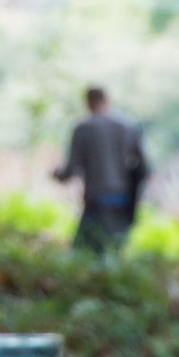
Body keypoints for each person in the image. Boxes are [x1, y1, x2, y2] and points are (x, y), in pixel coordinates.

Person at [53, 87, 149, 253]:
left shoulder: (83, 128)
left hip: (96, 203)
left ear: (88, 103)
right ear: (107, 100)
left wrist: (57, 175)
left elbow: (71, 170)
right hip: (124, 202)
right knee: (114, 253)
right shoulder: (129, 126)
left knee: (83, 252)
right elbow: (146, 168)